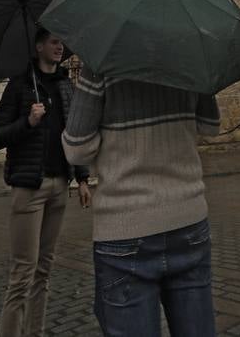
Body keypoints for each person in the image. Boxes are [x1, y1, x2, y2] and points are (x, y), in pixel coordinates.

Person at [62, 66, 221, 337]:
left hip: (125, 224)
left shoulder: (100, 62)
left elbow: (77, 150)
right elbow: (210, 126)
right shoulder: (187, 56)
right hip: (188, 217)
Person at [0, 28, 91, 337]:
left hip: (60, 185)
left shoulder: (65, 86)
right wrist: (27, 122)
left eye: (63, 42)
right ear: (38, 47)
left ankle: (35, 332)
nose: (60, 47)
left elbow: (74, 133)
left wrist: (83, 178)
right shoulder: (20, 86)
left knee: (44, 272)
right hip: (28, 187)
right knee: (22, 274)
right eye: (54, 42)